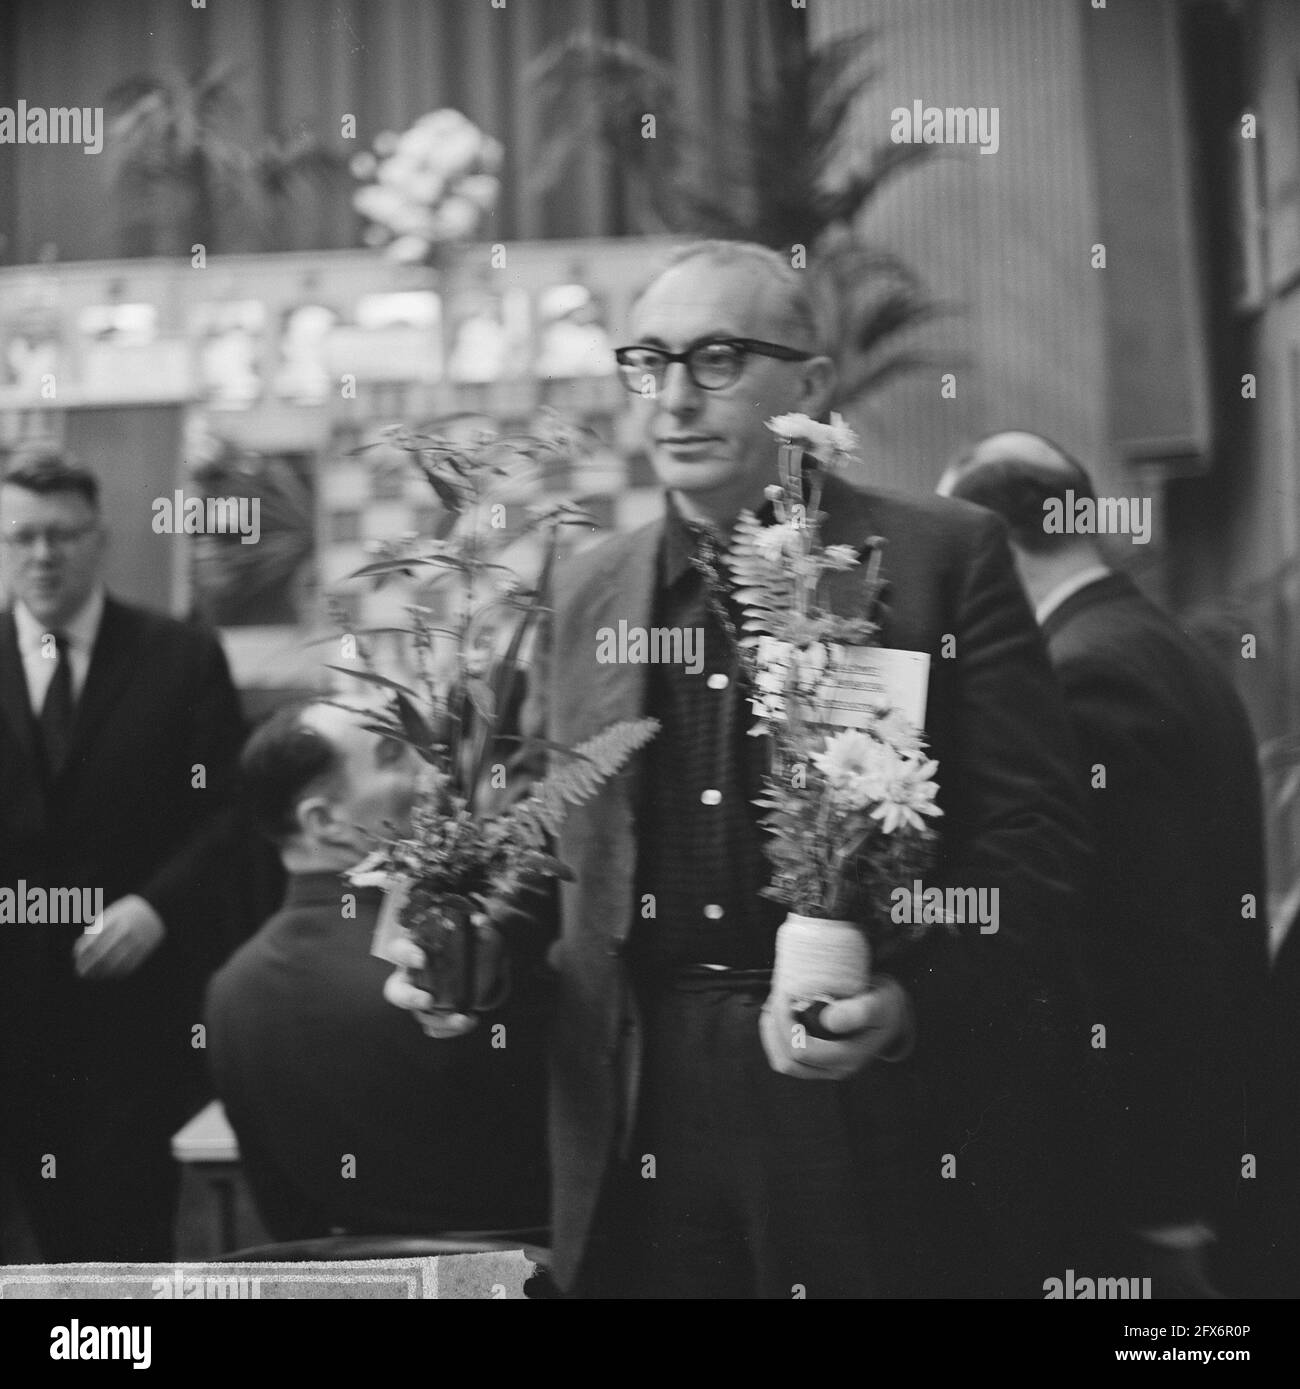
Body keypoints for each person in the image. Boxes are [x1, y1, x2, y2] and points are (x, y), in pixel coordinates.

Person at [389, 241, 1091, 1298]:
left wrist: (914, 997)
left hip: (861, 1089)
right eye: (648, 362)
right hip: (635, 1095)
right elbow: (553, 848)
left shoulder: (942, 558)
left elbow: (1035, 842)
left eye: (716, 358)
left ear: (810, 382)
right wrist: (471, 954)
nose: (673, 397)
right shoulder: (586, 593)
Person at [937, 430, 1270, 1297]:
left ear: (997, 545)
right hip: (1190, 1149)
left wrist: (1160, 1196)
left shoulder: (1078, 676)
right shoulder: (1158, 640)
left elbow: (1142, 953)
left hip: (1133, 1174)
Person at [0, 446, 244, 1261]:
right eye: (23, 536)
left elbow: (230, 820)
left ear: (100, 538)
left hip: (133, 1023)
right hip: (9, 1014)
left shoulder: (180, 658)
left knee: (126, 1248)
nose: (43, 555)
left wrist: (156, 906)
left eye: (63, 534)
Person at [205, 701, 549, 1242]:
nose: (428, 774)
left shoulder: (230, 993)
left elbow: (282, 1214)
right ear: (324, 821)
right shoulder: (448, 958)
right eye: (394, 757)